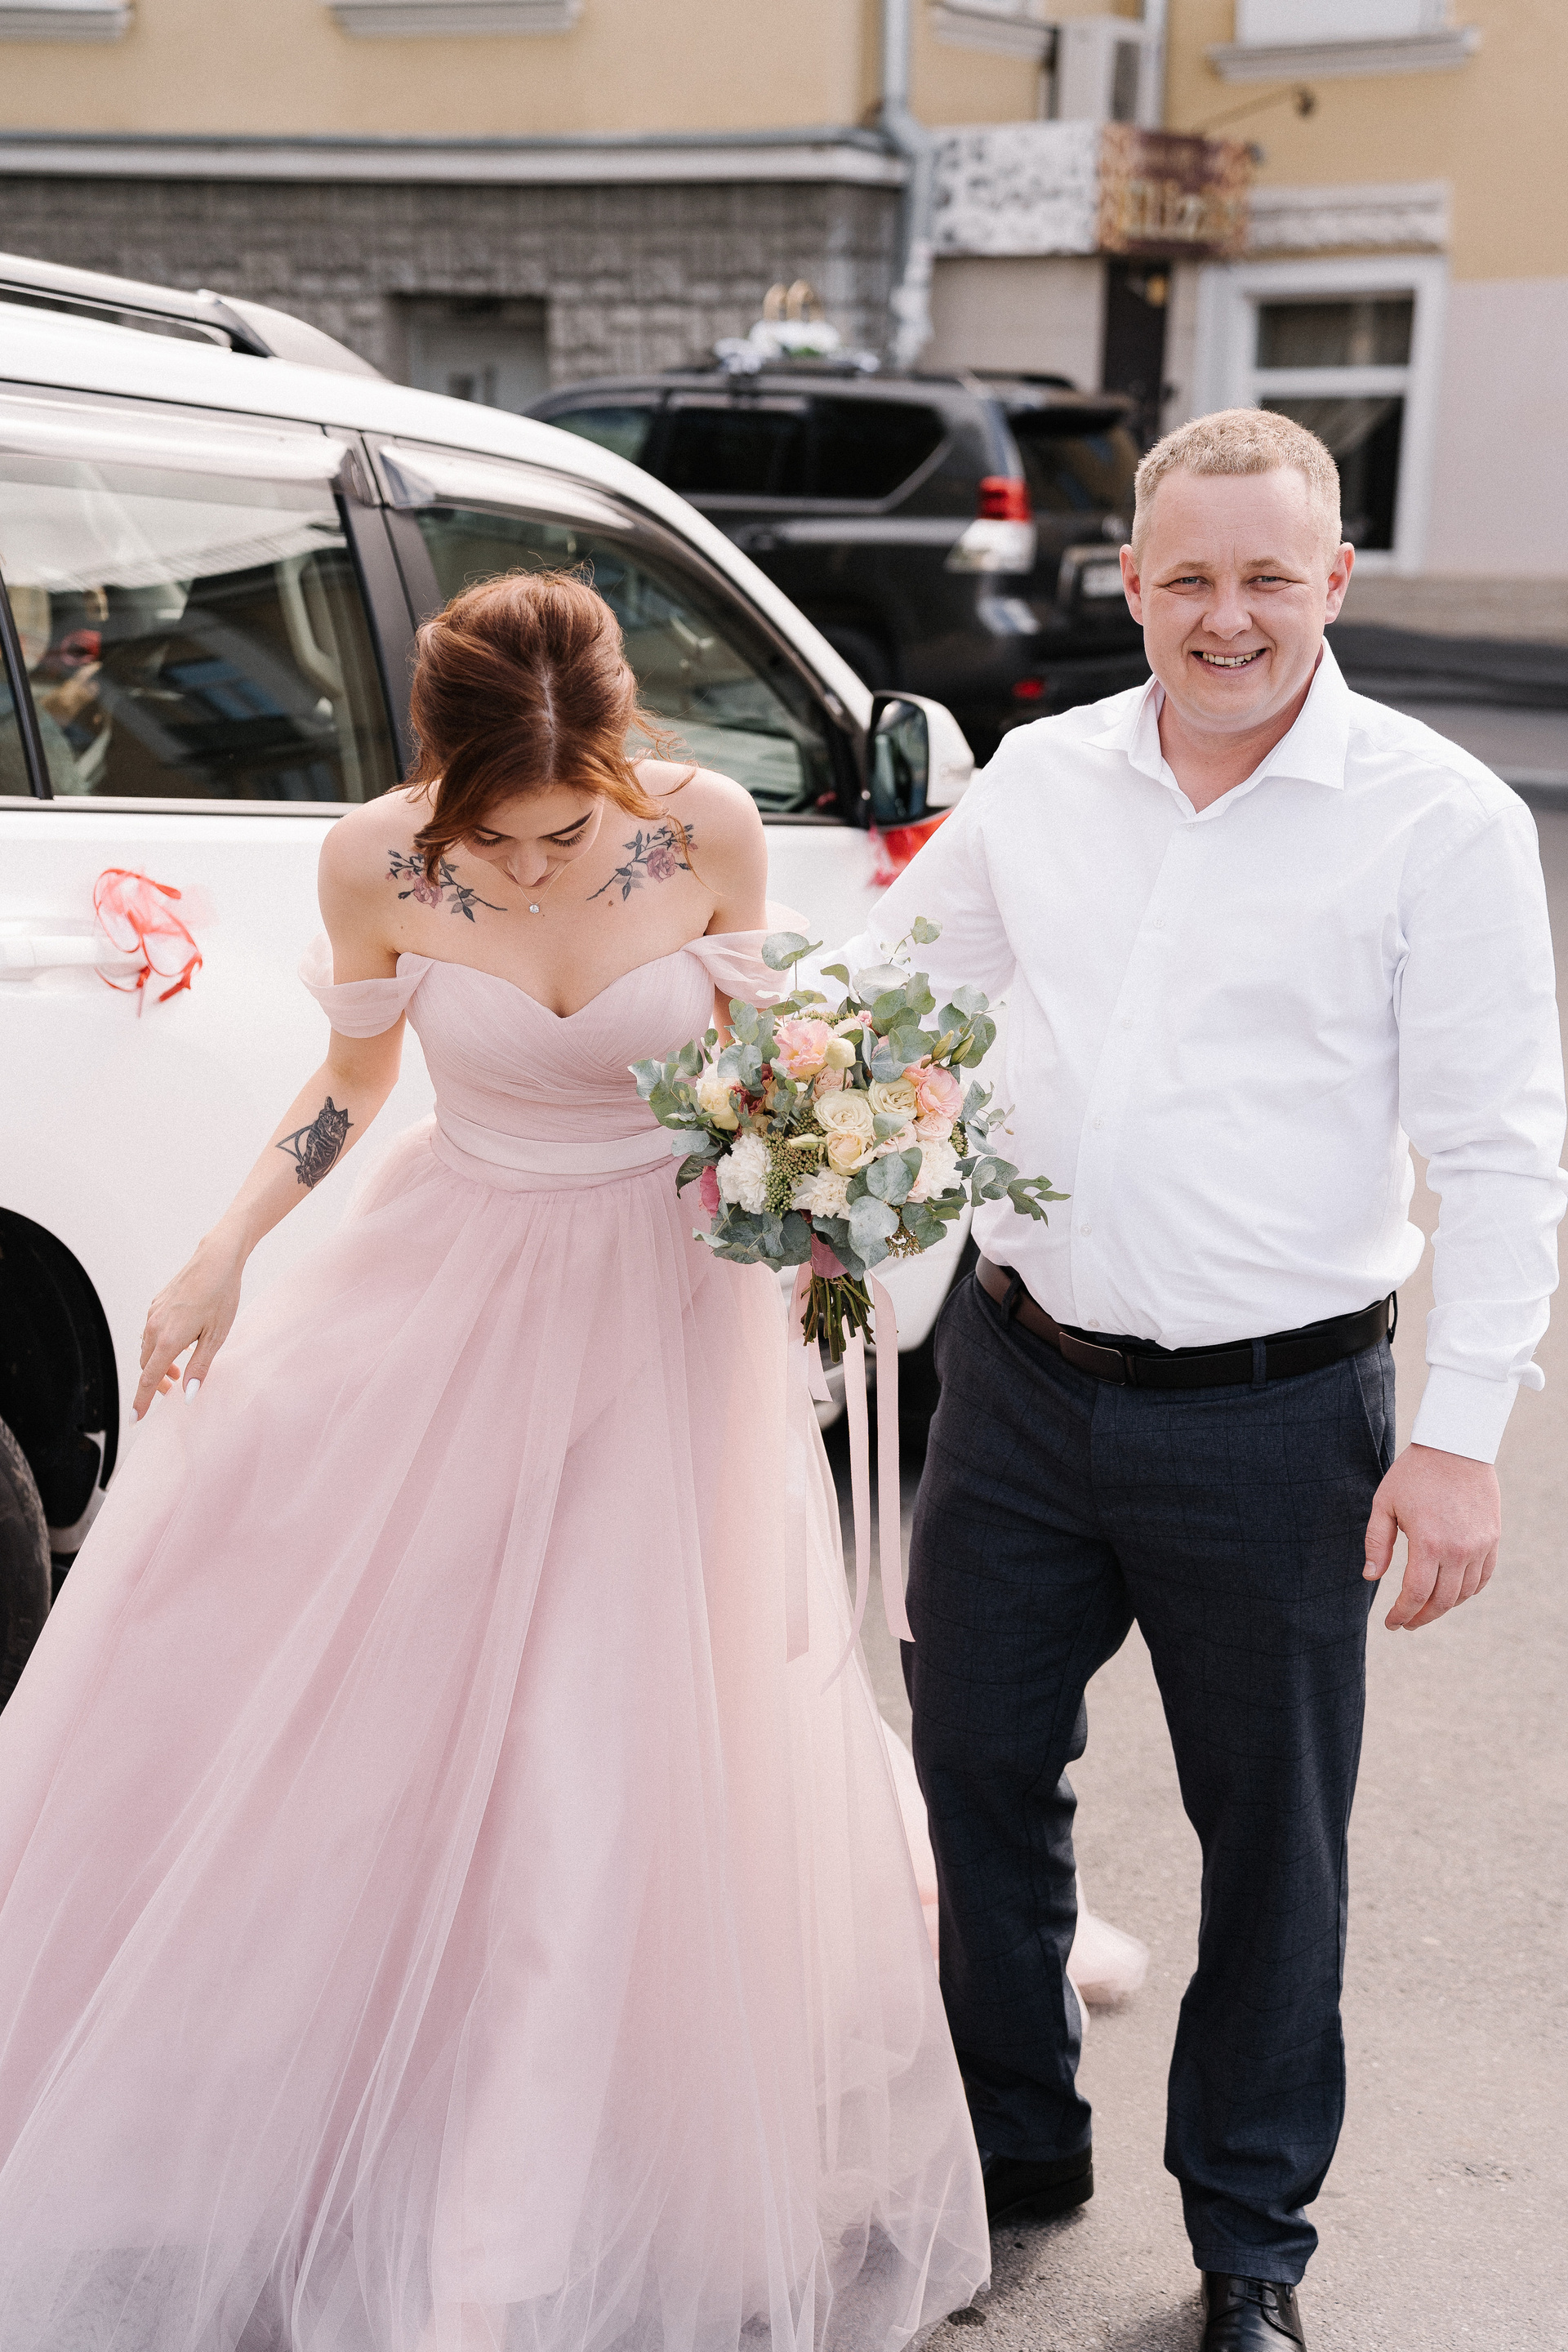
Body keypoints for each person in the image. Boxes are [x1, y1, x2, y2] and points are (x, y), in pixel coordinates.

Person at [0, 573, 991, 2352]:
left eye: (564, 820)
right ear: (439, 768)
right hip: (451, 1289)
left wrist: (827, 1184)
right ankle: (335, 2082)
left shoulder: (708, 829)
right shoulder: (373, 860)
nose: (532, 852)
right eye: (500, 826)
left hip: (664, 1323)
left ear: (618, 753)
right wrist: (223, 1250)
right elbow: (352, 1084)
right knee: (372, 1700)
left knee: (596, 1740)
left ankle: (514, 2230)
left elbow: (765, 1072)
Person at [834, 409, 1566, 2351]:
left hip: (1278, 1416)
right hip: (1016, 1379)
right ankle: (1013, 2142)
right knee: (977, 1769)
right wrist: (716, 1040)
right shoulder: (1045, 775)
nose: (1225, 616)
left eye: (1266, 577)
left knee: (1272, 1842)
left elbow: (1505, 1150)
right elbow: (889, 993)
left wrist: (1460, 1440)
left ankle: (1252, 2237)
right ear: (1131, 583)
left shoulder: (1438, 820)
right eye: (1188, 578)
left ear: (1335, 581)